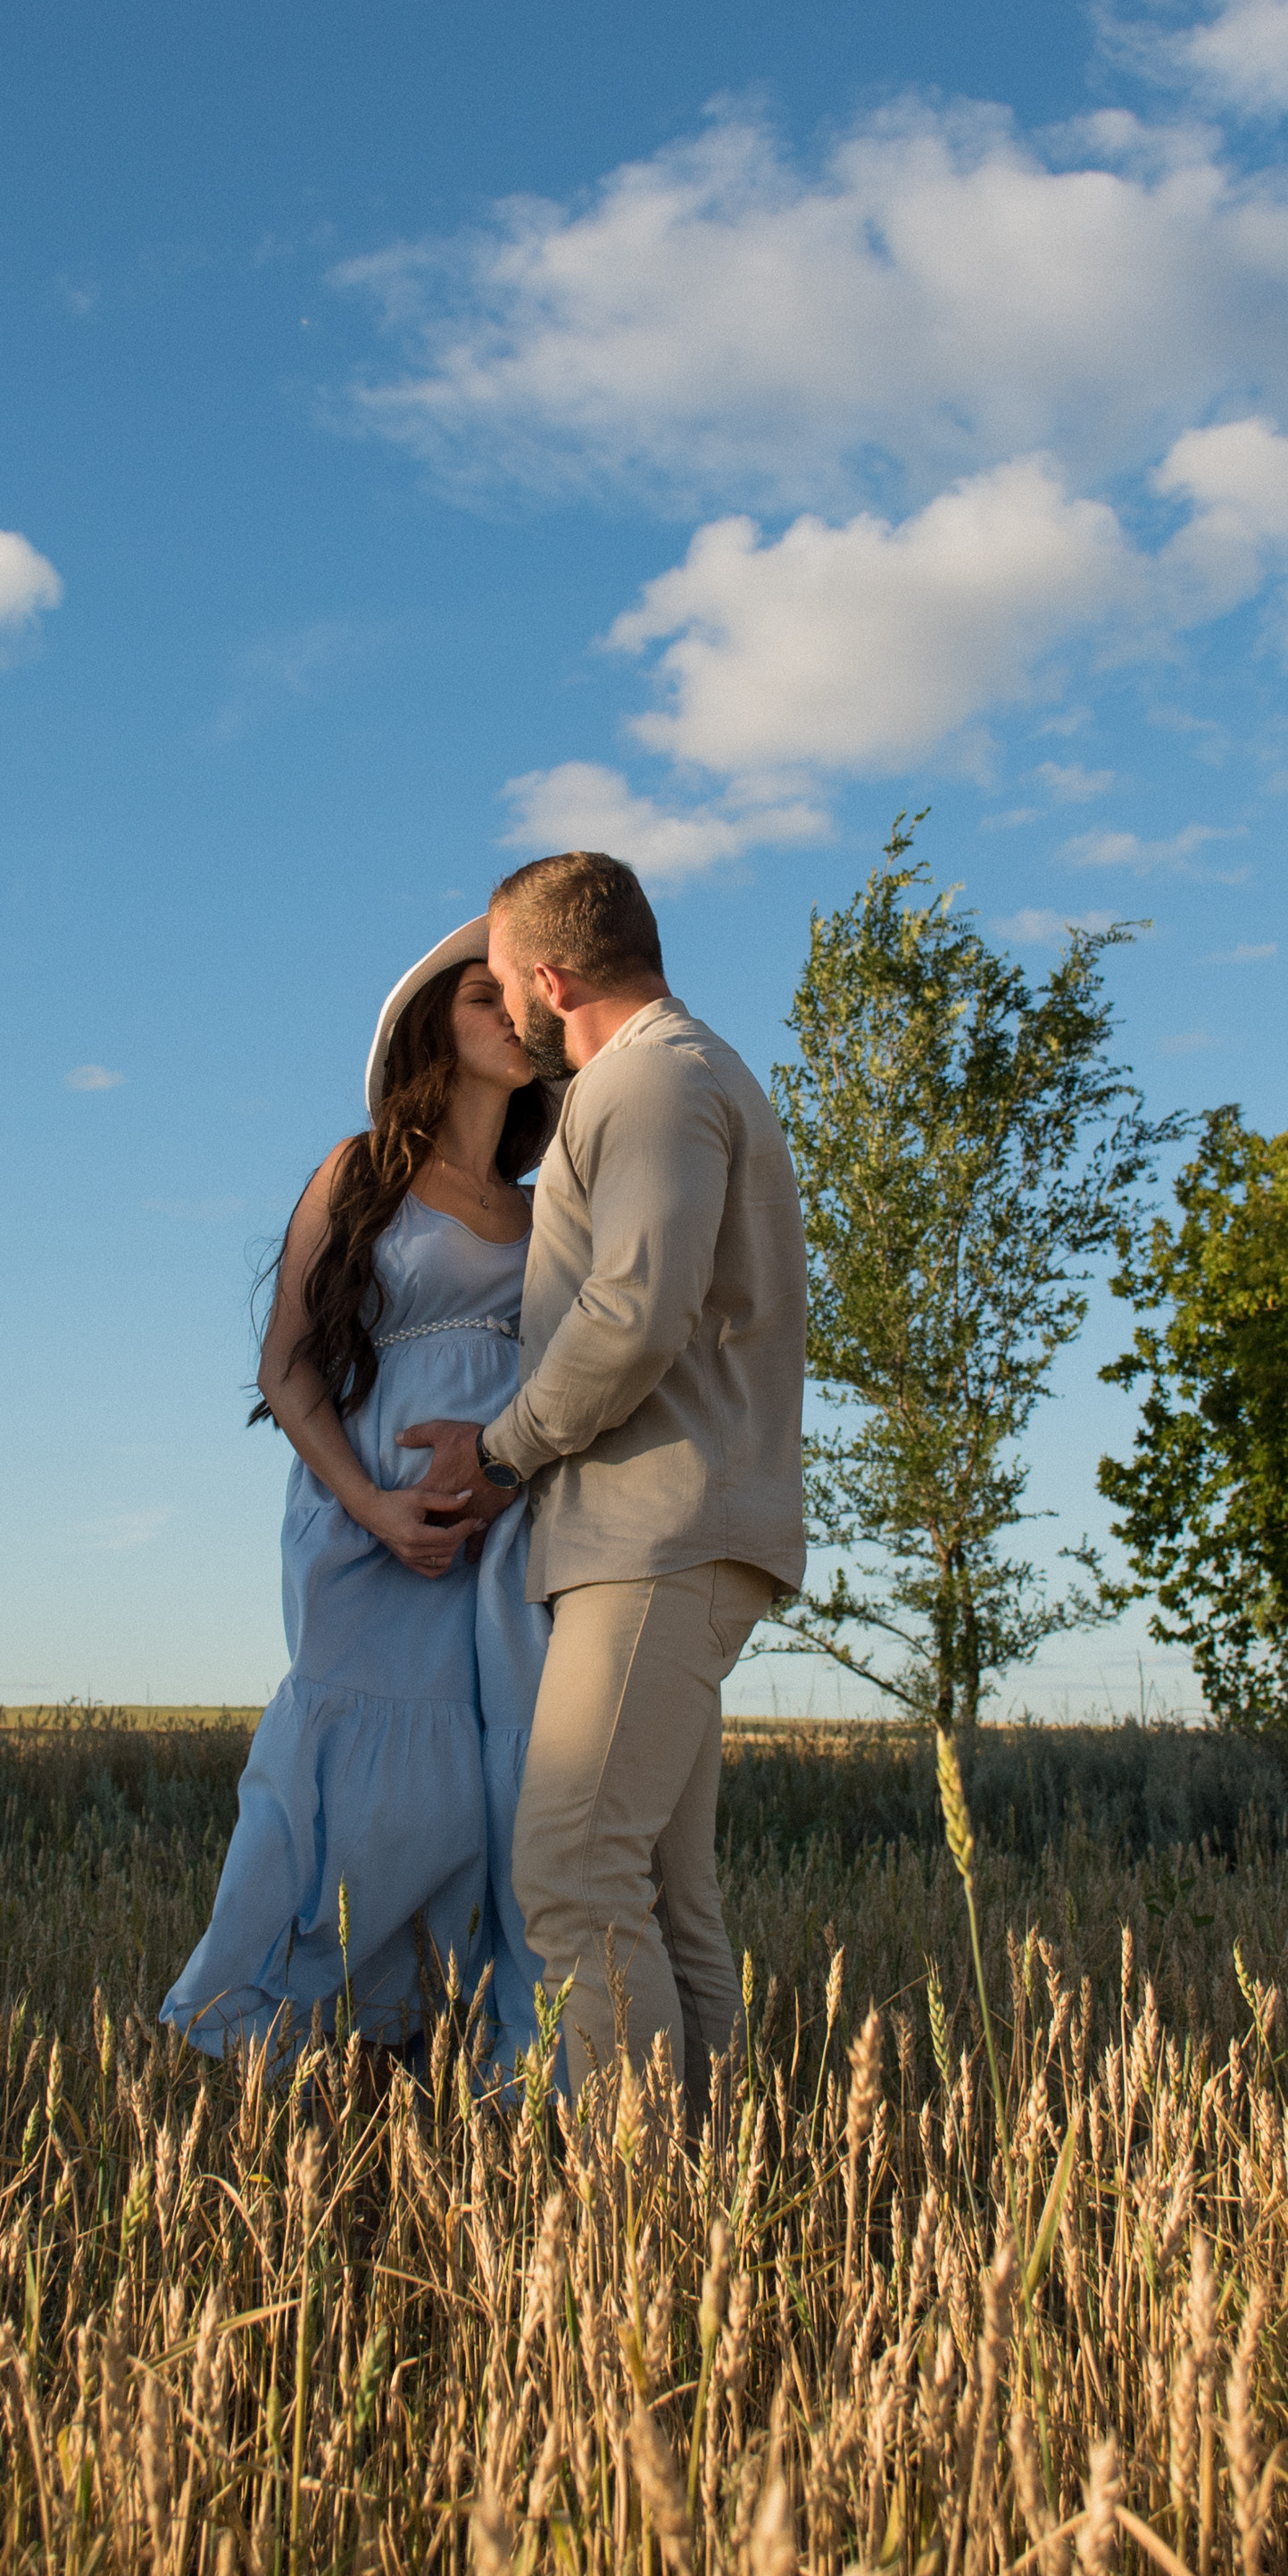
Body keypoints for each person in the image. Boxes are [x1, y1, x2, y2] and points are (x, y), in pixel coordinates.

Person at [400, 850, 807, 2104]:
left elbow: (632, 1316)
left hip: (657, 1532)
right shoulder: (686, 1074)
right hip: (677, 1530)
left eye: (502, 978)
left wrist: (501, 1453)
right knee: (668, 1899)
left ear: (552, 978)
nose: (504, 1005)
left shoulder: (648, 1082)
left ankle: (631, 2196)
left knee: (572, 1873)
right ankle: (712, 2181)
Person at [160, 926, 555, 2071]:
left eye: (522, 999)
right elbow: (286, 1367)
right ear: (432, 1025)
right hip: (366, 1528)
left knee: (480, 1792)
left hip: (501, 1535)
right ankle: (271, 2037)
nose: (511, 1015)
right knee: (366, 1791)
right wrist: (373, 1509)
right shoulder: (361, 1171)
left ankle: (443, 2046)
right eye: (483, 996)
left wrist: (502, 1481)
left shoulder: (550, 1212)